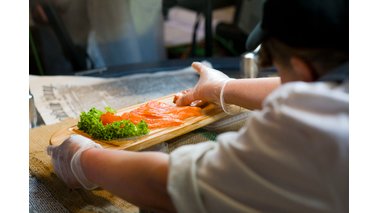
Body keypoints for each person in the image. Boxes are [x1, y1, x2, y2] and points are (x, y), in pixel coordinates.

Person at [47, 0, 349, 212]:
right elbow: (310, 88)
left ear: (303, 69)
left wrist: (83, 161)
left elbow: (171, 187)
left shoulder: (316, 135)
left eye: (281, 69)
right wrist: (222, 88)